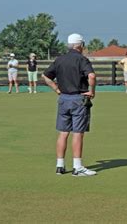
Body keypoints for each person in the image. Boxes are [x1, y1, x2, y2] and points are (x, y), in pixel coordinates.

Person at [42, 33, 97, 177]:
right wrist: (91, 91)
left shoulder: (59, 59)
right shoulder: (82, 59)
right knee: (78, 133)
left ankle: (60, 166)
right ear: (80, 45)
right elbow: (91, 76)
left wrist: (56, 89)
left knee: (63, 133)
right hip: (78, 99)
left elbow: (45, 76)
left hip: (63, 99)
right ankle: (77, 167)